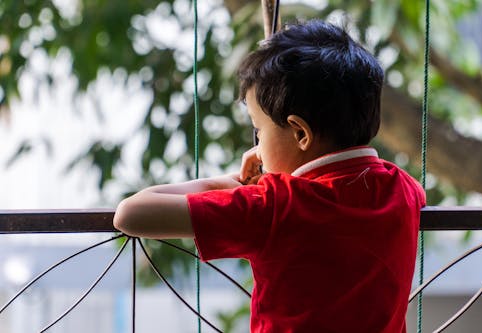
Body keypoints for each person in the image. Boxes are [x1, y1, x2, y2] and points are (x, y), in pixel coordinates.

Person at [113, 20, 425, 333]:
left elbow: (130, 213)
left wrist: (228, 182)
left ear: (300, 133)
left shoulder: (274, 207)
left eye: (259, 131)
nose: (258, 146)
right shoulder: (404, 188)